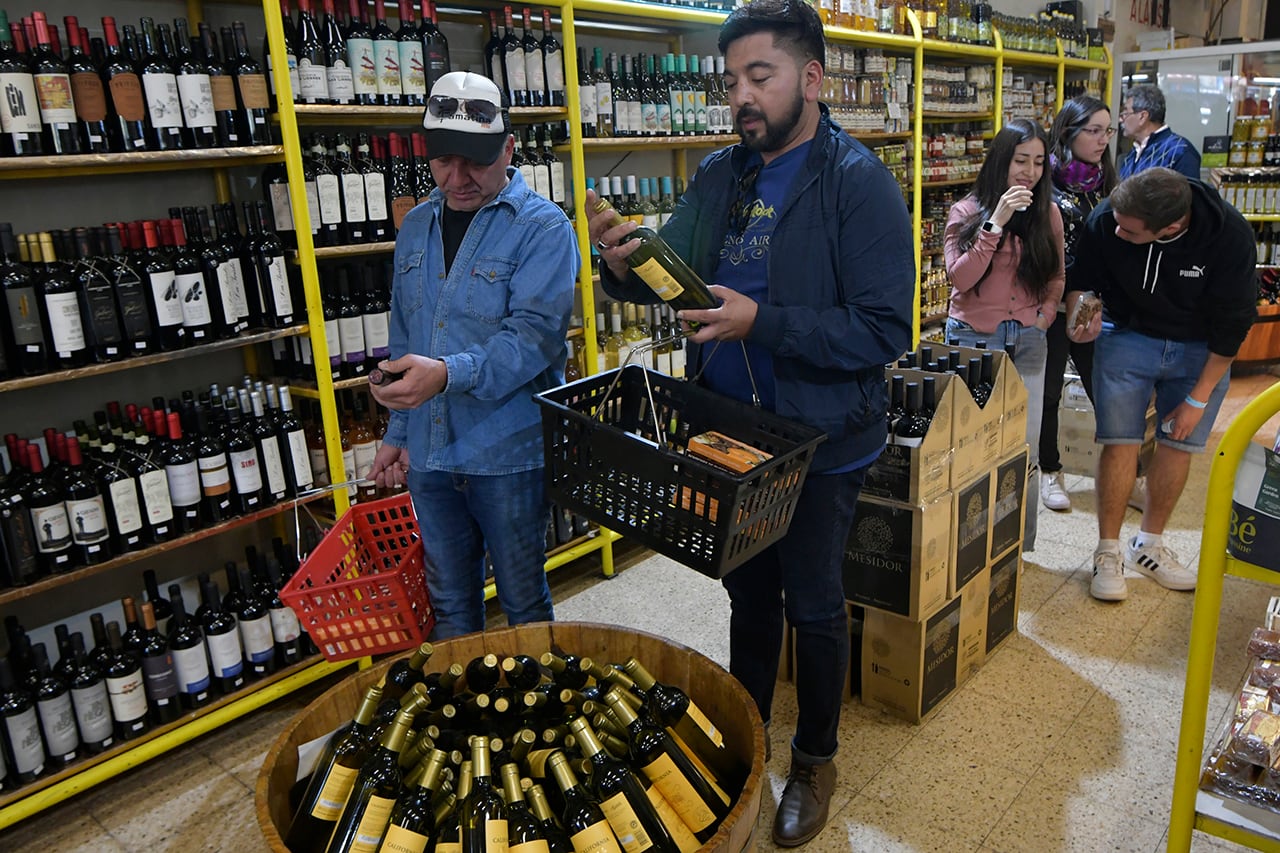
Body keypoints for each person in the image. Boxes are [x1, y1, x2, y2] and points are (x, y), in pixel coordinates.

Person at [586, 0, 914, 844]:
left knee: (812, 602)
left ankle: (814, 758)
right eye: (732, 79)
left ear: (810, 78)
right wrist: (625, 265)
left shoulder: (859, 184)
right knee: (746, 595)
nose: (741, 95)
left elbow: (884, 329)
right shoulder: (719, 174)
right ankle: (748, 734)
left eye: (758, 76)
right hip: (729, 433)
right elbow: (681, 281)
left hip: (822, 442)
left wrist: (758, 322)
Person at [368, 71, 579, 638]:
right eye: (443, 162)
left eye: (476, 162)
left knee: (522, 603)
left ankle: (536, 721)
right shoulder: (414, 226)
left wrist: (444, 376)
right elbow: (405, 329)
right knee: (450, 606)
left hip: (506, 453)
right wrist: (398, 429)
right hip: (430, 454)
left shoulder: (543, 228)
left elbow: (534, 339)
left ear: (508, 148)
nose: (457, 178)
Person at [1066, 167, 1256, 601]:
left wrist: (1197, 398)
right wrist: (1082, 317)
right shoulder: (1108, 220)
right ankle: (1108, 550)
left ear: (1171, 226)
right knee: (1120, 440)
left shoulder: (1230, 237)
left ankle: (1149, 544)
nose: (1116, 230)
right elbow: (1082, 280)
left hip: (1200, 348)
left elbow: (1233, 327)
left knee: (1178, 443)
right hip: (1126, 335)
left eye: (1129, 231)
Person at [943, 118, 1065, 552]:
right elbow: (960, 279)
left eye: (1037, 163)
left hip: (1029, 340)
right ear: (1001, 160)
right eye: (1020, 161)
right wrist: (995, 222)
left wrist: (1044, 318)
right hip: (974, 340)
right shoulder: (965, 212)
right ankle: (969, 551)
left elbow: (1055, 276)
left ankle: (1015, 547)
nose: (1028, 172)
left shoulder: (1048, 214)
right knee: (972, 448)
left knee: (1023, 451)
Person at [1040, 96, 1117, 512]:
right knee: (1050, 390)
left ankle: (1125, 469)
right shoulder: (1047, 181)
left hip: (1095, 307)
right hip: (1054, 304)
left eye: (1108, 130)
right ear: (1069, 132)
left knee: (1105, 389)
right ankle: (1050, 471)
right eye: (1094, 130)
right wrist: (1064, 291)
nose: (1103, 139)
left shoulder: (1107, 180)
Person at [1117, 84, 1201, 180]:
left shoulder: (1180, 151)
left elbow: (1188, 193)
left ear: (1142, 117)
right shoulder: (1132, 154)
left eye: (1125, 113)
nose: (1121, 119)